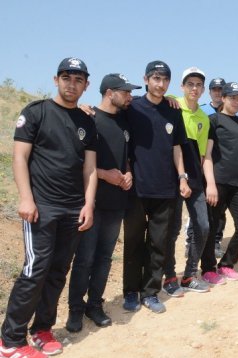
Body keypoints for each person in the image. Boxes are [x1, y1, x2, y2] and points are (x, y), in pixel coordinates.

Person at [0, 58, 97, 358]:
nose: (72, 83)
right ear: (56, 79)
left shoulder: (87, 122)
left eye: (78, 79)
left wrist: (88, 204)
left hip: (73, 208)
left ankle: (42, 328)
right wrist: (26, 199)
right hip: (41, 207)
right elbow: (19, 158)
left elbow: (90, 168)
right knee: (35, 269)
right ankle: (10, 340)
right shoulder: (36, 112)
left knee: (58, 270)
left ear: (86, 85)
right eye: (67, 77)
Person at [65, 73, 139, 334]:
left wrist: (127, 172)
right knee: (84, 258)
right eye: (125, 91)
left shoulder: (125, 122)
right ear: (109, 92)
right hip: (92, 201)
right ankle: (75, 309)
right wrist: (106, 174)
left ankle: (94, 305)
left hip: (117, 202)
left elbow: (126, 158)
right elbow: (78, 160)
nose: (130, 96)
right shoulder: (88, 118)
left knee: (104, 258)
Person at [122, 60, 191, 314]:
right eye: (156, 79)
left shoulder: (173, 110)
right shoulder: (133, 107)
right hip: (137, 189)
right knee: (133, 243)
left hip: (166, 189)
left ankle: (150, 293)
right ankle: (130, 292)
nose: (160, 84)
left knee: (158, 244)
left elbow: (176, 147)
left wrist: (182, 177)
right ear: (146, 79)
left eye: (165, 80)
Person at [162, 67, 212, 296]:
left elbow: (202, 154)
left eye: (198, 85)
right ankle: (170, 276)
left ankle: (190, 274)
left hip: (194, 177)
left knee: (203, 226)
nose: (194, 88)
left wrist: (203, 180)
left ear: (203, 89)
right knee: (171, 230)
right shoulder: (170, 104)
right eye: (190, 84)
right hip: (171, 176)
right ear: (182, 87)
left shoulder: (203, 117)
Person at [201, 82, 238, 282]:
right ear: (223, 98)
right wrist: (210, 184)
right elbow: (207, 154)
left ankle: (226, 264)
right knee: (212, 227)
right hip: (218, 181)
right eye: (232, 97)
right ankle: (208, 269)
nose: (236, 102)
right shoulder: (213, 120)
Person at [196, 76, 226, 258]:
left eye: (221, 90)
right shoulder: (202, 111)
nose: (218, 92)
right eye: (215, 89)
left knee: (219, 210)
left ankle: (216, 241)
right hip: (202, 163)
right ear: (210, 92)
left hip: (221, 165)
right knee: (200, 208)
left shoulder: (230, 112)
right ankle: (192, 241)